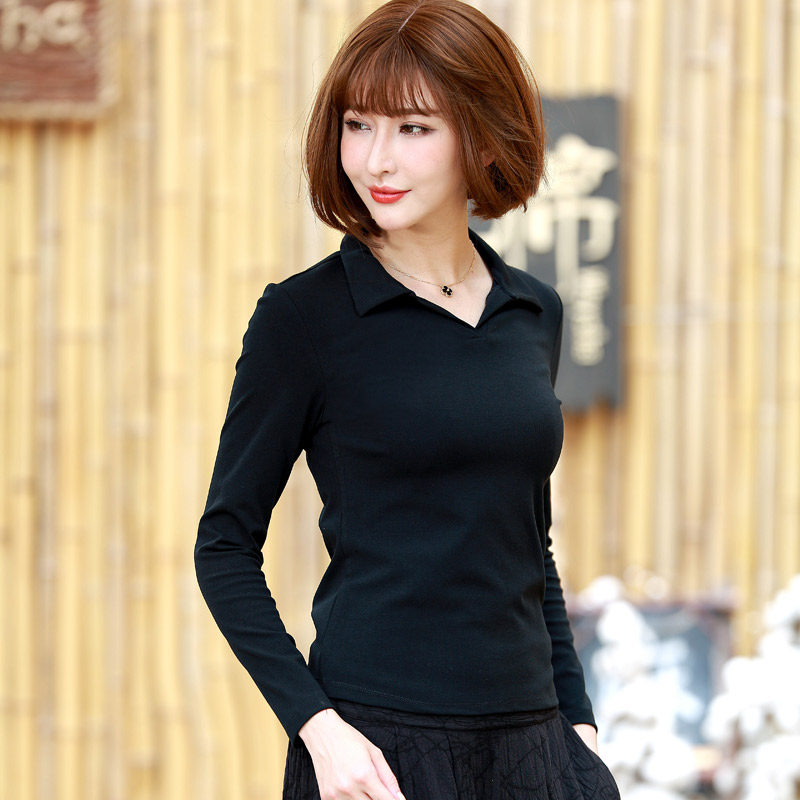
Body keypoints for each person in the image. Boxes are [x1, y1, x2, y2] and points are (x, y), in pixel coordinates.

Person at [194, 1, 620, 798]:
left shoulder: (533, 312)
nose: (376, 160)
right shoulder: (303, 319)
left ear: (480, 134)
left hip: (534, 747)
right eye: (358, 125)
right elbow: (223, 547)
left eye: (413, 129)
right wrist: (320, 730)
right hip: (380, 752)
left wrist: (578, 723)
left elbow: (527, 545)